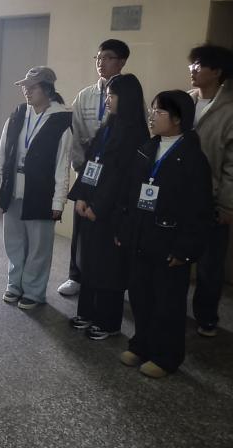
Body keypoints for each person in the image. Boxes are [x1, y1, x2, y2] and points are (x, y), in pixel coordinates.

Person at [117, 90, 213, 378]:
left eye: (159, 112)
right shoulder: (147, 148)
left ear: (178, 119)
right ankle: (141, 345)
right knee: (140, 295)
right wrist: (124, 229)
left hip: (169, 242)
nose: (152, 116)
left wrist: (185, 249)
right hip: (141, 237)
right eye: (152, 110)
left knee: (167, 303)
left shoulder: (192, 158)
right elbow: (129, 193)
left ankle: (166, 356)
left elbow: (199, 209)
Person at [67, 74, 148, 338]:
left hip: (112, 212)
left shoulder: (135, 135)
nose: (107, 100)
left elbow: (121, 179)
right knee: (89, 262)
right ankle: (87, 311)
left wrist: (98, 207)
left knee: (109, 267)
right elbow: (90, 164)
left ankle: (108, 321)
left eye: (112, 96)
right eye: (107, 95)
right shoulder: (107, 128)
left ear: (127, 99)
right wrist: (81, 196)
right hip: (90, 205)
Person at [0, 67, 73, 310]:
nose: (27, 91)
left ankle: (34, 291)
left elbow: (62, 165)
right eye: (25, 87)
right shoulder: (18, 115)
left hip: (41, 192)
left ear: (47, 89)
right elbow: (3, 150)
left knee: (38, 245)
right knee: (13, 240)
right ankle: (14, 284)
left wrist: (59, 200)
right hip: (13, 187)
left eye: (32, 87)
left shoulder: (61, 120)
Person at [186, 44, 233, 338]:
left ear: (217, 72)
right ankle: (169, 307)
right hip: (178, 196)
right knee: (173, 258)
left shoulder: (232, 113)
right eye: (192, 64)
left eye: (199, 65)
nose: (193, 69)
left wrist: (227, 205)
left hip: (211, 200)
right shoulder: (184, 102)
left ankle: (206, 316)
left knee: (209, 265)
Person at [60, 39, 130, 297]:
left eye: (107, 57)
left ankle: (109, 279)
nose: (101, 62)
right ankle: (75, 276)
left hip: (113, 177)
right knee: (80, 226)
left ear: (121, 62)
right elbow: (75, 134)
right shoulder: (86, 95)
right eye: (98, 57)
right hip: (88, 172)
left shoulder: (129, 94)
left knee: (108, 227)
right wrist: (81, 167)